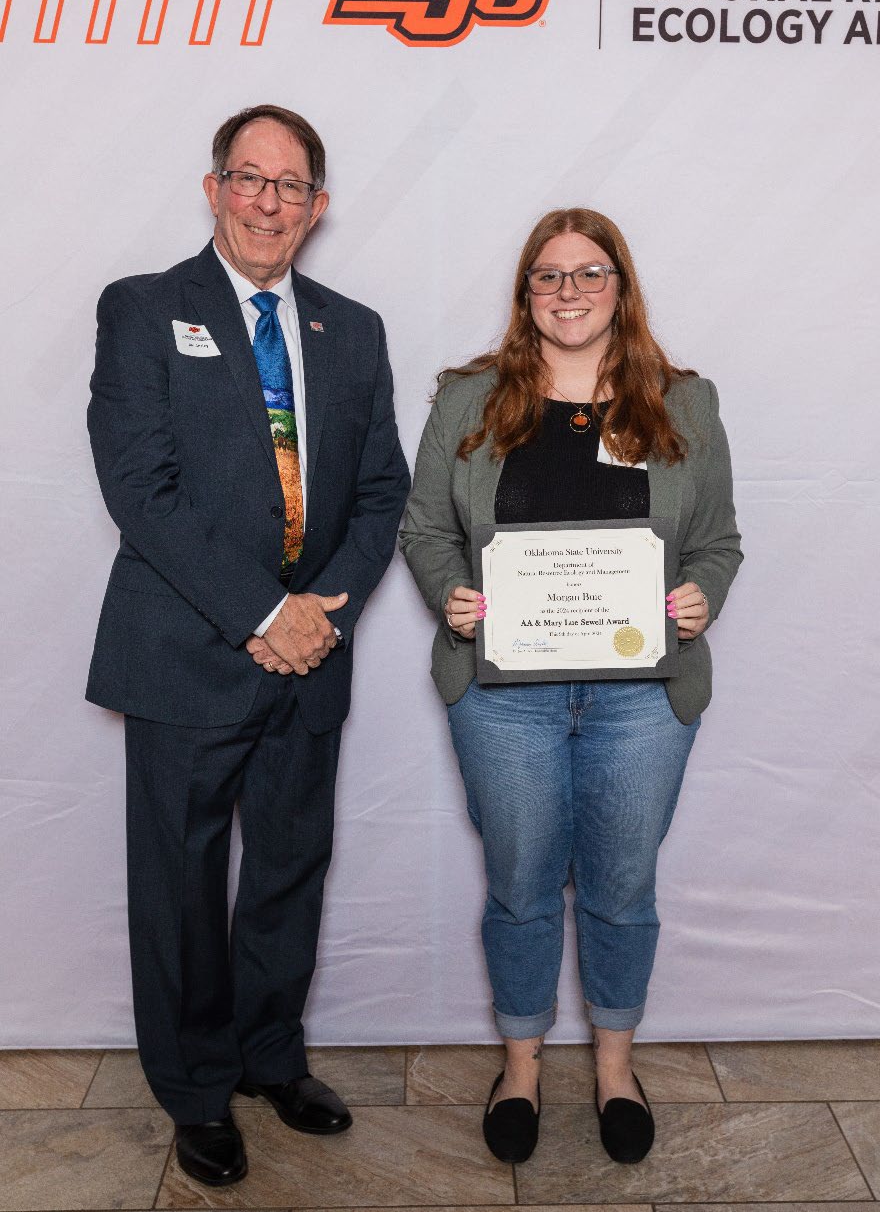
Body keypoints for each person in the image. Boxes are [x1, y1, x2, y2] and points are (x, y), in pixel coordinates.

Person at [86, 104, 410, 1186]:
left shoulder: (351, 328)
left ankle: (272, 1055)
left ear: (318, 206)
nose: (268, 201)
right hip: (185, 652)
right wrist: (264, 614)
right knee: (179, 884)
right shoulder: (141, 309)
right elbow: (141, 489)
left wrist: (321, 610)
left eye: (290, 184)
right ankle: (193, 1088)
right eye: (248, 177)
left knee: (286, 869)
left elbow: (380, 493)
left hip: (312, 655)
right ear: (215, 187)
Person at [399, 207, 742, 1166]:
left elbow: (717, 540)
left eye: (589, 275)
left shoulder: (684, 400)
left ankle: (615, 1066)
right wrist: (450, 598)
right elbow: (426, 527)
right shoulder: (469, 399)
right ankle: (520, 1067)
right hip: (505, 695)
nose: (569, 292)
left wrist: (700, 596)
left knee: (624, 888)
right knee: (518, 887)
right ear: (526, 295)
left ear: (621, 288)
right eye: (548, 277)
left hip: (642, 699)